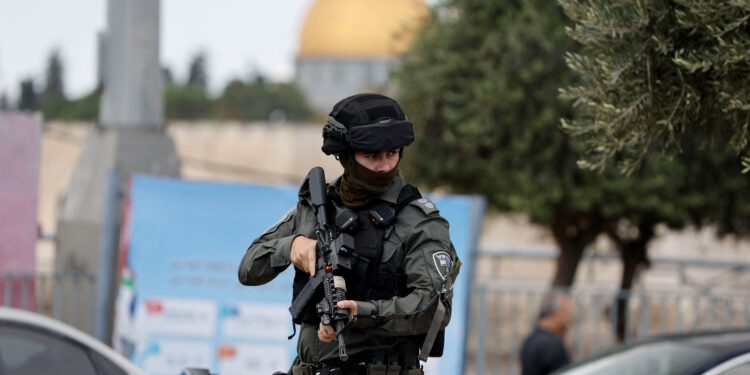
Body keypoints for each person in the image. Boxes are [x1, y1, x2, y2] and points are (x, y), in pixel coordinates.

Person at [238, 93, 459, 375]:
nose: (384, 166)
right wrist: (290, 246)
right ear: (344, 156)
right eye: (372, 156)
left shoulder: (419, 221)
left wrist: (360, 313)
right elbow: (248, 270)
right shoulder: (316, 208)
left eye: (391, 154)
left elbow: (432, 310)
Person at [520, 290, 573, 375]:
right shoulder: (551, 344)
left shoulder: (530, 339)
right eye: (565, 312)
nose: (568, 318)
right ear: (555, 313)